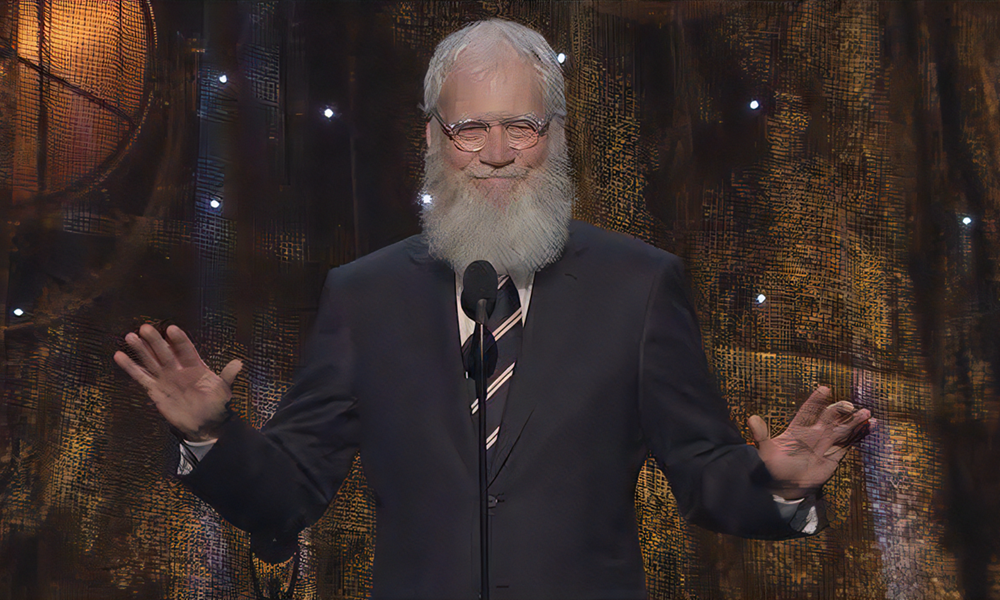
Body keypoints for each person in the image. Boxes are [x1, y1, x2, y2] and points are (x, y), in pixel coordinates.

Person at [114, 19, 872, 600]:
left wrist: (779, 484)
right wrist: (212, 436)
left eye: (522, 126)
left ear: (557, 137)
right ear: (434, 138)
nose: (498, 152)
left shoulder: (638, 286)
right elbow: (288, 492)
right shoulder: (364, 296)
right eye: (471, 128)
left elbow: (705, 475)